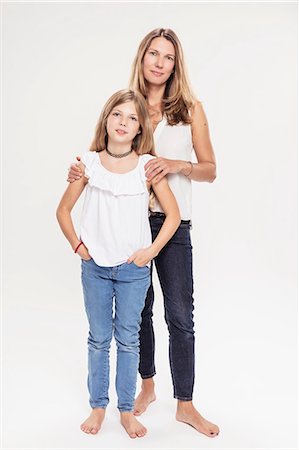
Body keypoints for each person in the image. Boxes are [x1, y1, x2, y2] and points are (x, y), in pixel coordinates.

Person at [67, 28, 220, 438]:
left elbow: (209, 169)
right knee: (139, 316)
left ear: (176, 64)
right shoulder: (129, 106)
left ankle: (185, 404)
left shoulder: (190, 109)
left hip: (172, 224)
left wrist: (175, 164)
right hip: (127, 224)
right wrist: (79, 171)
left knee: (180, 316)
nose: (158, 62)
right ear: (142, 58)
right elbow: (103, 154)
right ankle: (147, 386)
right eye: (152, 53)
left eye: (167, 56)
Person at [56, 89, 181, 438]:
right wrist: (77, 244)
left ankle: (126, 410)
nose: (124, 123)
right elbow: (63, 210)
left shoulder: (146, 167)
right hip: (95, 268)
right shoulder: (89, 163)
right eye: (117, 115)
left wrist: (151, 251)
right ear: (106, 119)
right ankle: (99, 406)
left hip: (132, 270)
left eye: (131, 118)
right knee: (98, 338)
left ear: (141, 127)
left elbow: (172, 215)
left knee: (128, 340)